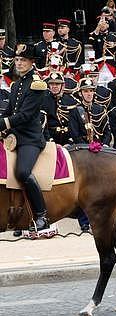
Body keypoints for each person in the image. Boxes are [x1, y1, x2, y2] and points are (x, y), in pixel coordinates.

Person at [0, 43, 49, 231]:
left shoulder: (37, 84)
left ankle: (41, 216)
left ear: (32, 62)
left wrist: (3, 124)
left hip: (30, 139)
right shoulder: (16, 84)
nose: (19, 63)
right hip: (14, 136)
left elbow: (26, 116)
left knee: (23, 172)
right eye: (17, 59)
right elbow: (9, 111)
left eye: (23, 60)